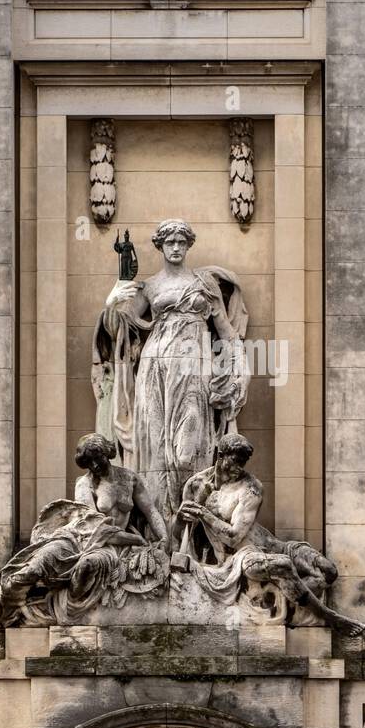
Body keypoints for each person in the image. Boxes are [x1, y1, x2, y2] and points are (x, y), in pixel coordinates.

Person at [93, 219, 250, 529]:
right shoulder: (150, 287)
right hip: (155, 365)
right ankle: (159, 530)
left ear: (188, 245)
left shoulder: (204, 285)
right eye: (170, 242)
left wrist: (241, 365)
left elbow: (226, 332)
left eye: (181, 241)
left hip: (194, 366)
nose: (176, 247)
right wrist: (115, 295)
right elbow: (121, 325)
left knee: (186, 450)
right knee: (153, 445)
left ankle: (191, 529)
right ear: (161, 247)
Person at [0, 434, 168, 631]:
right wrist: (135, 539)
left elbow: (150, 510)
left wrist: (164, 537)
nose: (95, 466)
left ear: (107, 453)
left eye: (97, 459)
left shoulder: (129, 478)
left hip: (106, 547)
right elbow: (94, 527)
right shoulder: (85, 483)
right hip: (78, 539)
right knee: (31, 568)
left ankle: (59, 608)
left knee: (88, 564)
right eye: (88, 462)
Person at [175, 433, 364, 635]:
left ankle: (286, 603)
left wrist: (203, 514)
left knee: (328, 571)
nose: (240, 468)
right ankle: (331, 617)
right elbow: (183, 533)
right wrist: (180, 520)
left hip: (275, 546)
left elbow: (233, 535)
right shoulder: (196, 486)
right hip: (243, 556)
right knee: (283, 565)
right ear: (220, 455)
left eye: (243, 463)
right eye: (236, 461)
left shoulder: (251, 487)